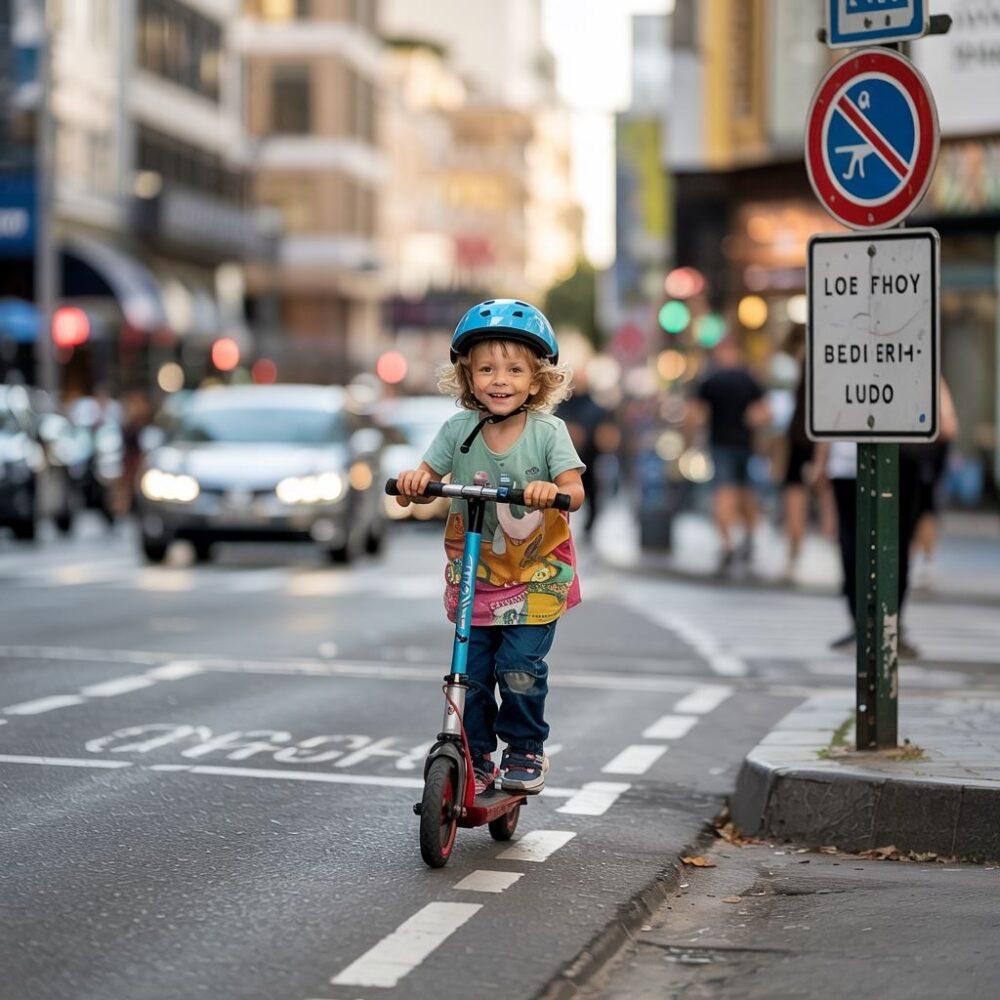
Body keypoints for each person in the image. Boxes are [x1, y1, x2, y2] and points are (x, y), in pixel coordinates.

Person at [394, 300, 585, 796]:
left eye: (514, 369)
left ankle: (524, 749)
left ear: (537, 378)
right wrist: (418, 480)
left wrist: (551, 491)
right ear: (467, 375)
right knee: (470, 674)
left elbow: (575, 489)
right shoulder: (458, 431)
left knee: (518, 669)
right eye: (486, 368)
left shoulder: (548, 431)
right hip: (476, 574)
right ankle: (474, 753)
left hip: (534, 578)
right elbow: (427, 474)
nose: (499, 379)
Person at [688, 335, 770, 574]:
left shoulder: (710, 381)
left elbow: (695, 415)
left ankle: (727, 544)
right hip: (746, 445)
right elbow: (764, 414)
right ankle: (749, 537)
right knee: (746, 494)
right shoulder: (750, 380)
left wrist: (691, 441)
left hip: (720, 444)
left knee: (723, 494)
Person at [555, 364, 616, 540]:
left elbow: (606, 436)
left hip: (590, 459)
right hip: (562, 462)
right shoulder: (561, 408)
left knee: (592, 494)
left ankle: (589, 528)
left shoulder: (597, 408)